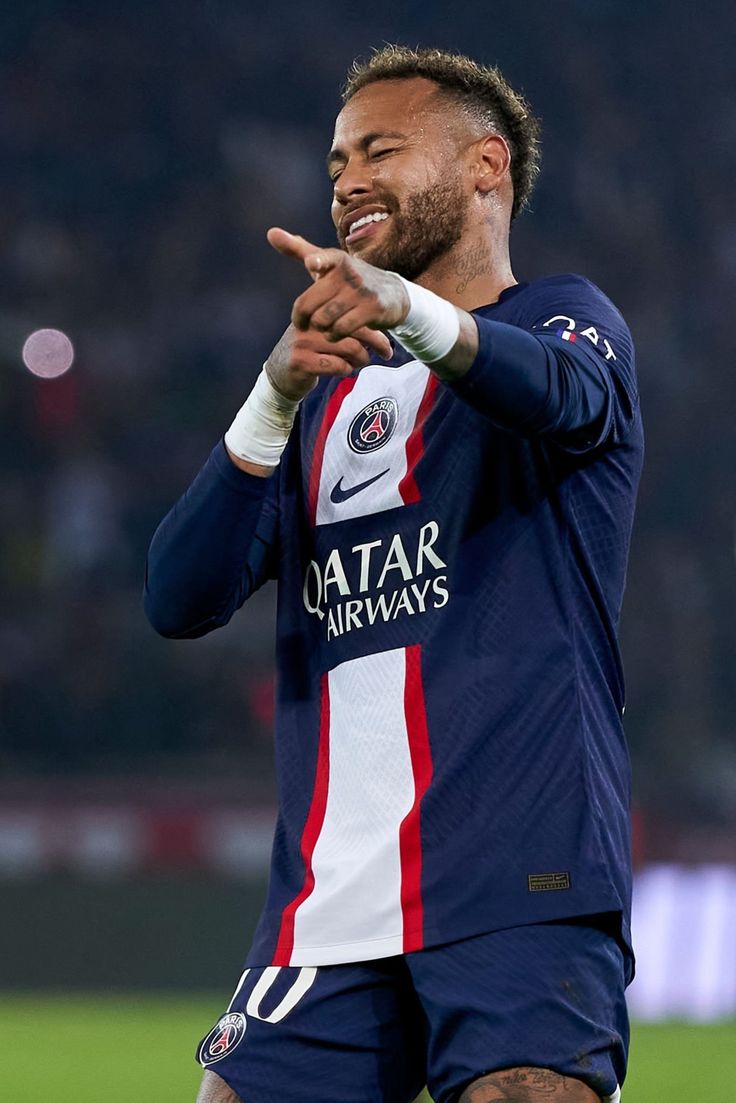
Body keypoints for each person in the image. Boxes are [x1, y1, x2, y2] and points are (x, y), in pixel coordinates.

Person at [145, 44, 643, 1103]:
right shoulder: (326, 398)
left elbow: (566, 397)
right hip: (327, 901)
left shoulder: (563, 319)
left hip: (520, 871)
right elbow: (179, 597)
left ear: (484, 168)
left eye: (380, 148)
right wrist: (273, 393)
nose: (345, 180)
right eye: (334, 163)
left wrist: (404, 312)